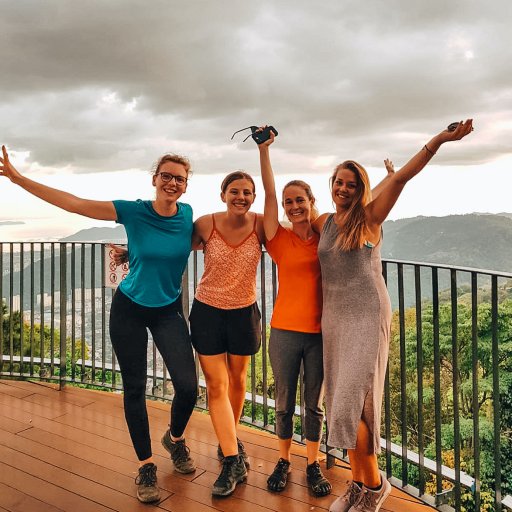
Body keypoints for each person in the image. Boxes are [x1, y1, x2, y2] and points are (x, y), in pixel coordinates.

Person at [0, 147, 198, 504]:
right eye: (166, 176)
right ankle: (146, 465)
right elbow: (74, 203)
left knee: (187, 387)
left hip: (169, 310)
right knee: (134, 387)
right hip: (130, 309)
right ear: (155, 180)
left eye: (179, 178)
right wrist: (19, 179)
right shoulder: (134, 210)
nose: (172, 182)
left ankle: (176, 438)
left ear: (186, 187)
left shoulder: (187, 215)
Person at [315, 120, 473, 512]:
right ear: (331, 184)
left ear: (360, 188)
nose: (344, 188)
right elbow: (289, 225)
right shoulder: (325, 223)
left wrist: (438, 140)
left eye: (352, 183)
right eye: (339, 182)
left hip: (366, 314)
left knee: (356, 403)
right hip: (334, 318)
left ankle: (373, 488)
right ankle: (358, 483)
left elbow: (401, 180)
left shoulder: (368, 219)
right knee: (339, 403)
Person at [257, 130, 332, 496]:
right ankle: (284, 459)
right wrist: (264, 151)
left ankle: (313, 463)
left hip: (320, 333)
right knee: (285, 403)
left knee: (313, 405)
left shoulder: (325, 236)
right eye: (289, 202)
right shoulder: (278, 239)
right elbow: (269, 195)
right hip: (284, 331)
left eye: (299, 200)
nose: (292, 206)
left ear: (311, 201)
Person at [190, 171, 265, 497]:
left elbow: (300, 230)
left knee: (238, 381)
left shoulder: (261, 224)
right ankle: (232, 457)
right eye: (234, 191)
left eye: (247, 192)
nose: (241, 197)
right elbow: (170, 244)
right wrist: (133, 252)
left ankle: (228, 441)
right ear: (223, 194)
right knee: (216, 385)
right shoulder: (207, 224)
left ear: (254, 196)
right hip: (207, 311)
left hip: (243, 313)